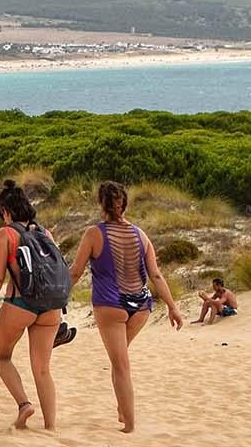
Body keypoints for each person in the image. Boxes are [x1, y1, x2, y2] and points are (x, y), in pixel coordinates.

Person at [69, 181, 184, 433]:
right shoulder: (141, 235)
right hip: (141, 306)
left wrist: (57, 297)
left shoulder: (93, 234)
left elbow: (76, 272)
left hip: (111, 304)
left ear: (102, 204)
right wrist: (172, 307)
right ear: (124, 204)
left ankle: (129, 425)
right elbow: (156, 275)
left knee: (120, 364)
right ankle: (123, 410)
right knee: (118, 359)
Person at [0, 181, 69, 430]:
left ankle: (24, 405)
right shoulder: (45, 233)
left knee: (1, 356)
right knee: (42, 369)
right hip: (51, 307)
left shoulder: (6, 234)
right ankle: (50, 427)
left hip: (20, 303)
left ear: (6, 211)